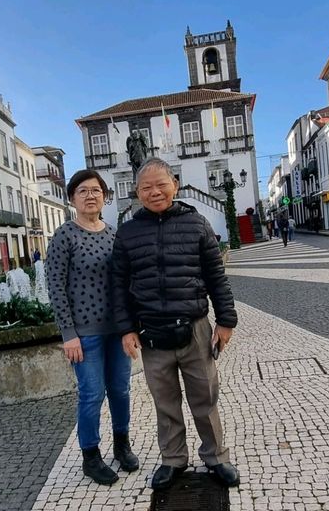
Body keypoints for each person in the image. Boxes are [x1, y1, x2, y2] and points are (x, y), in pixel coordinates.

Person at [111, 158, 240, 491]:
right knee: (164, 401)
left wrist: (225, 320)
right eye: (146, 187)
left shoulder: (196, 224)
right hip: (151, 332)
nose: (154, 192)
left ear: (175, 185)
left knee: (205, 397)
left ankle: (216, 457)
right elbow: (118, 284)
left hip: (195, 327)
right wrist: (126, 328)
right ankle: (173, 459)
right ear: (136, 193)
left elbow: (216, 276)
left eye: (161, 184)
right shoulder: (126, 233)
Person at [45, 169, 138, 486]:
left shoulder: (114, 234)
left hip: (118, 330)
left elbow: (126, 281)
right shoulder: (64, 236)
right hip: (85, 334)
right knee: (91, 394)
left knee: (121, 390)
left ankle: (122, 444)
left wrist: (131, 326)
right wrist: (68, 334)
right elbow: (55, 286)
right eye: (82, 190)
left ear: (104, 195)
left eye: (96, 190)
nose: (90, 195)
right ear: (72, 198)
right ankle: (91, 456)